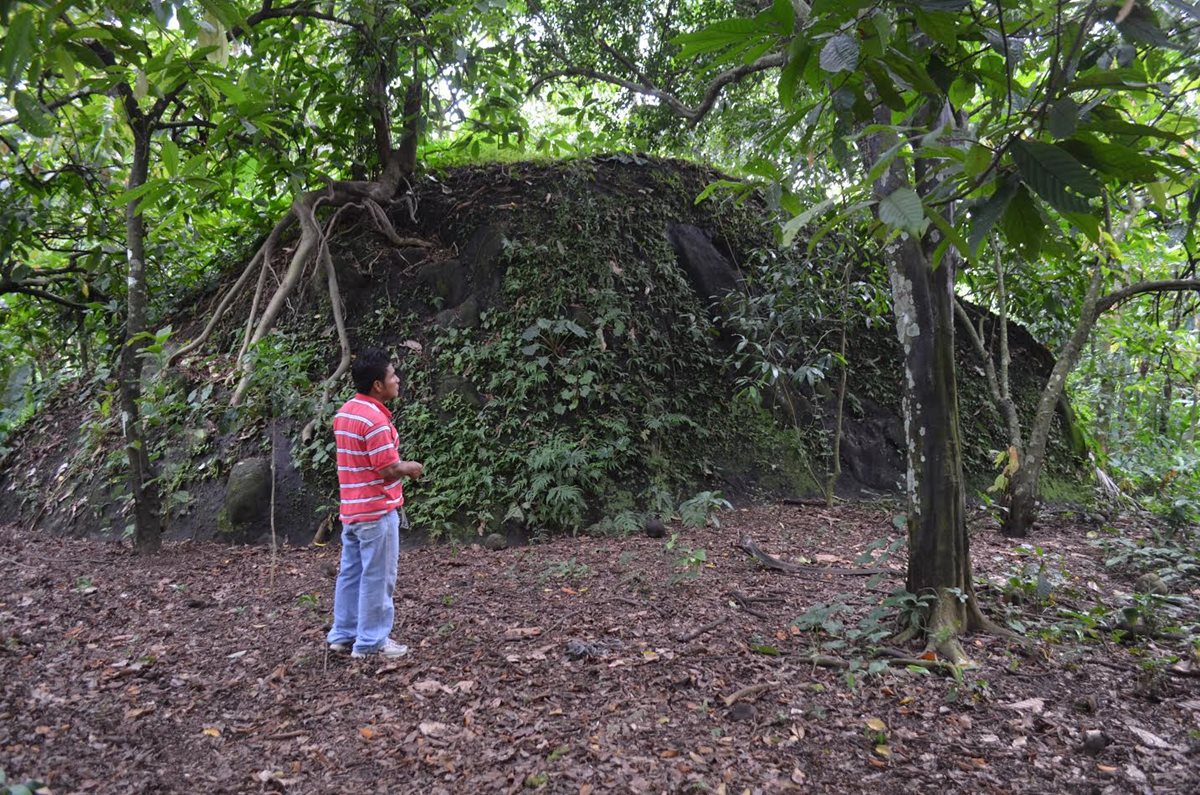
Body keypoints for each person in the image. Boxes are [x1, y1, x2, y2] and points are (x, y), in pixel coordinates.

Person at [326, 349, 423, 659]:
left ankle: (343, 635)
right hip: (377, 512)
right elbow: (386, 468)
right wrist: (410, 467)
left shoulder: (346, 412)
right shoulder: (375, 420)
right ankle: (371, 642)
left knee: (351, 574)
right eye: (392, 375)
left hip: (352, 511)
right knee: (378, 576)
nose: (397, 379)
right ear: (378, 386)